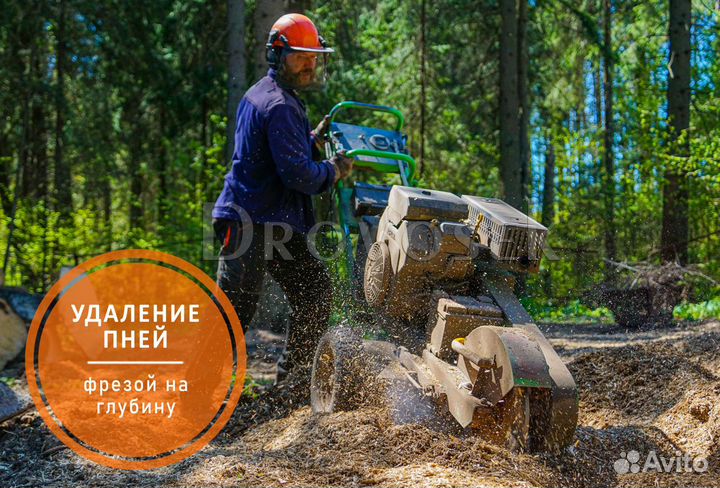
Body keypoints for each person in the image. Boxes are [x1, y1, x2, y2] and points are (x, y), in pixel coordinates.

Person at [212, 13, 353, 383]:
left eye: (313, 56)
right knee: (234, 309)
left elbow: (279, 153)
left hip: (273, 222)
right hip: (249, 220)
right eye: (300, 56)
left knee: (314, 292)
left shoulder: (268, 95)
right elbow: (299, 175)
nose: (309, 64)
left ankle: (293, 380)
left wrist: (312, 141)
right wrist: (334, 170)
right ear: (278, 55)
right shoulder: (280, 105)